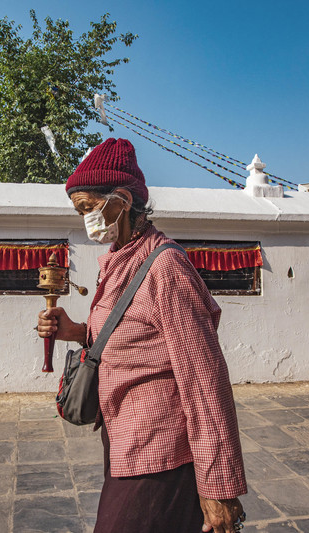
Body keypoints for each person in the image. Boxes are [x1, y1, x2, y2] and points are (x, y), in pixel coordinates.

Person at [37, 138, 247, 533]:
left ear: (122, 200)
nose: (86, 219)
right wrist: (76, 332)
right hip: (122, 437)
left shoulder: (165, 267)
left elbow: (204, 380)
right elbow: (134, 339)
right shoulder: (119, 261)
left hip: (161, 448)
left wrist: (218, 485)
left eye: (89, 208)